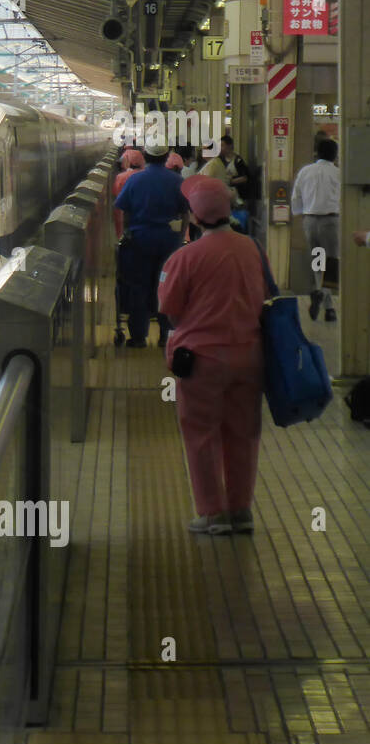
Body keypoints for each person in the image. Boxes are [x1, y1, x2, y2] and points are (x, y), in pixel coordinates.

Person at [158, 176, 268, 535]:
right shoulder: (251, 247)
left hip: (201, 360)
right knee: (243, 432)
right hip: (249, 354)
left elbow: (169, 307)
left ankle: (211, 513)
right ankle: (241, 510)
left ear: (194, 217)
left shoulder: (184, 257)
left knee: (201, 434)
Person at [114, 143, 187, 348]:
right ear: (166, 158)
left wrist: (128, 232)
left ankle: (138, 337)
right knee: (166, 287)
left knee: (139, 287)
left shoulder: (135, 179)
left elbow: (123, 208)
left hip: (139, 241)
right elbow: (186, 213)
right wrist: (180, 238)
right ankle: (166, 335)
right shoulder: (177, 180)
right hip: (168, 243)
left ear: (145, 156)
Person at [291, 137, 341, 322]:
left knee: (318, 261)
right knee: (332, 263)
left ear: (317, 153)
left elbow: (295, 197)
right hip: (331, 221)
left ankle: (325, 303)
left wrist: (302, 213)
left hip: (310, 221)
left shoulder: (305, 172)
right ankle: (327, 303)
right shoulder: (338, 174)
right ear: (335, 155)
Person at [113, 149, 145, 237]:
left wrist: (119, 233)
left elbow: (118, 207)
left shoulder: (121, 177)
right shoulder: (148, 176)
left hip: (129, 220)